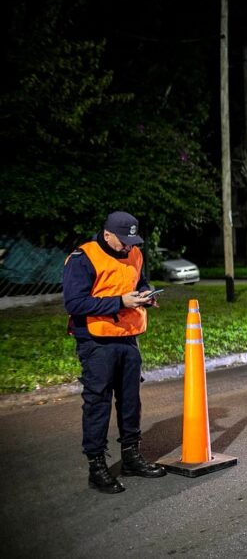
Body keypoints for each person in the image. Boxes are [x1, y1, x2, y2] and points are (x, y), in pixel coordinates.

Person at [62, 211, 167, 494]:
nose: (129, 247)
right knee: (98, 403)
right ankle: (97, 467)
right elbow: (74, 304)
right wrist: (120, 301)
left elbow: (138, 282)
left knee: (130, 400)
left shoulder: (134, 254)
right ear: (107, 234)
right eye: (124, 241)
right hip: (96, 342)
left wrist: (146, 294)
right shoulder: (83, 258)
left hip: (128, 337)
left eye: (132, 241)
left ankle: (131, 457)